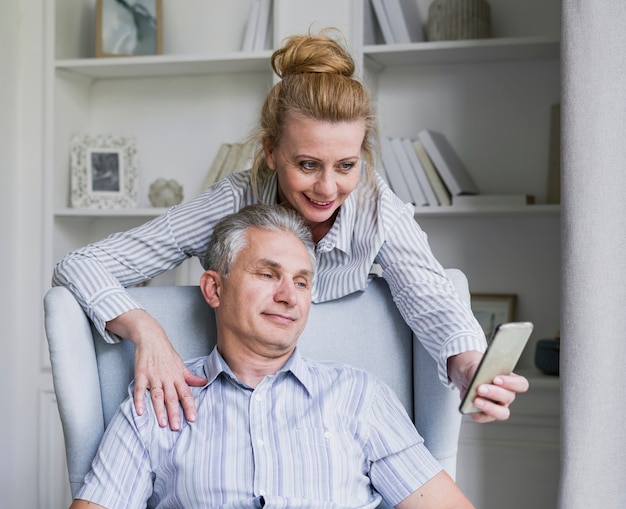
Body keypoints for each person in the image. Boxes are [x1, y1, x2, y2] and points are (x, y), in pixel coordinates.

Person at [52, 28, 528, 431]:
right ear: (270, 151)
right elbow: (80, 264)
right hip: (230, 406)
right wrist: (146, 330)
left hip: (334, 417)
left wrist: (470, 368)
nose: (327, 188)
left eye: (345, 165)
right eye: (306, 164)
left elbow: (433, 297)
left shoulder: (378, 207)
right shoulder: (231, 200)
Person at [69, 204, 474, 509]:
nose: (288, 296)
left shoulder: (359, 396)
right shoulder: (156, 403)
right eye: (267, 275)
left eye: (301, 282)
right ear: (213, 289)